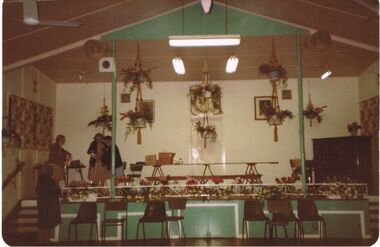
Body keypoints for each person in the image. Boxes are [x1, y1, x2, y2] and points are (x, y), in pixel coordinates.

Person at [35, 164, 61, 244]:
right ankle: (46, 242)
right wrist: (56, 183)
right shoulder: (49, 180)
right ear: (49, 171)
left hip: (41, 204)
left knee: (41, 225)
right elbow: (58, 191)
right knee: (46, 225)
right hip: (48, 205)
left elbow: (36, 192)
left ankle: (41, 242)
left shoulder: (40, 180)